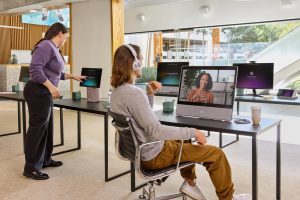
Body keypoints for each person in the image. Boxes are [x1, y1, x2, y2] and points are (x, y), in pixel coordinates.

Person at [110, 44, 251, 200]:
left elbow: (142, 120)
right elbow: (155, 130)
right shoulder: (135, 94)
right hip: (155, 155)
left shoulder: (116, 93)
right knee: (216, 154)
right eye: (140, 59)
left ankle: (190, 185)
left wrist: (150, 94)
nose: (142, 62)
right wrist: (193, 131)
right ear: (133, 62)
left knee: (182, 136)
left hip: (141, 151)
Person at [23, 22, 86, 180]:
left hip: (44, 91)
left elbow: (54, 72)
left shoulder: (54, 48)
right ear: (59, 33)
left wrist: (73, 76)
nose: (66, 39)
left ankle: (44, 159)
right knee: (37, 129)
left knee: (47, 128)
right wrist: (51, 87)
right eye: (66, 36)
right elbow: (35, 69)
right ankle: (30, 167)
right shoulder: (46, 46)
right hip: (37, 91)